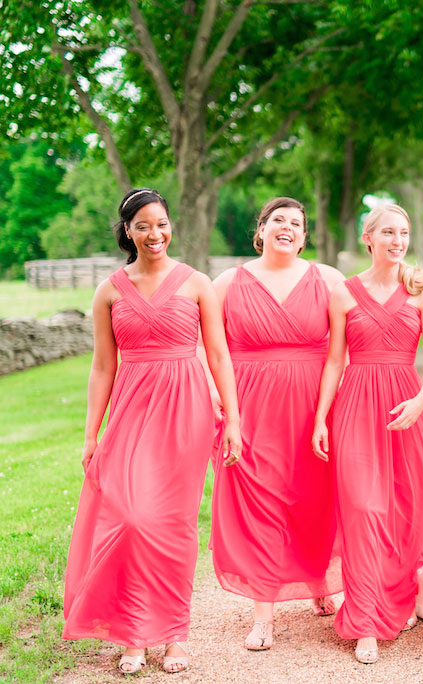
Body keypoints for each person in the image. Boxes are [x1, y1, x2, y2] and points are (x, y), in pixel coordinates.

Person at [63, 188, 241, 674]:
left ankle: (173, 635)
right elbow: (102, 367)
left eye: (160, 223)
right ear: (127, 231)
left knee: (170, 525)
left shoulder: (196, 283)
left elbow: (219, 356)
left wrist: (234, 419)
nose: (154, 234)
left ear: (171, 226)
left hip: (186, 411)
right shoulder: (110, 290)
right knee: (129, 520)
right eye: (142, 225)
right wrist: (90, 435)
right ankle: (134, 631)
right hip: (129, 412)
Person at [210, 197, 345, 650]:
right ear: (261, 229)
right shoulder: (229, 281)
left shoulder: (328, 279)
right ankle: (263, 613)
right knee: (260, 502)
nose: (287, 228)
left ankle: (318, 585)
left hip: (313, 405)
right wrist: (217, 398)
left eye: (296, 224)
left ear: (304, 237)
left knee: (314, 498)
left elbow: (362, 324)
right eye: (278, 221)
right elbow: (202, 343)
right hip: (250, 405)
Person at [311, 204, 423, 665]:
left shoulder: (422, 288)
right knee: (364, 508)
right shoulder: (344, 294)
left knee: (407, 509)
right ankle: (364, 619)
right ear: (368, 237)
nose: (397, 240)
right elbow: (333, 361)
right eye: (388, 231)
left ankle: (401, 596)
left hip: (407, 404)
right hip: (357, 406)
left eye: (403, 232)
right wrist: (322, 417)